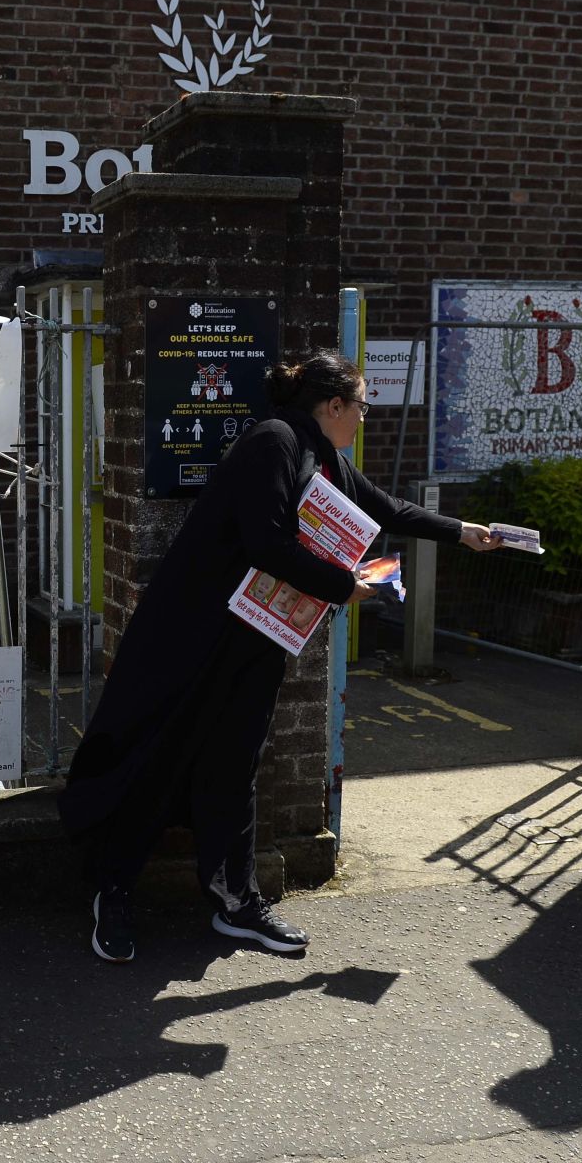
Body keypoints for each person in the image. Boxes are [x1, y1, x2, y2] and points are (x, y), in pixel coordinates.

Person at [62, 351, 502, 964]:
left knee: (235, 764)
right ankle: (113, 894)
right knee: (159, 757)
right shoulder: (273, 442)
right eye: (363, 408)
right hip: (195, 634)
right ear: (334, 405)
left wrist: (462, 531)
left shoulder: (325, 457)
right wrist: (342, 585)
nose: (364, 420)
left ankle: (236, 903)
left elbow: (384, 508)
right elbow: (264, 540)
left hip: (258, 636)